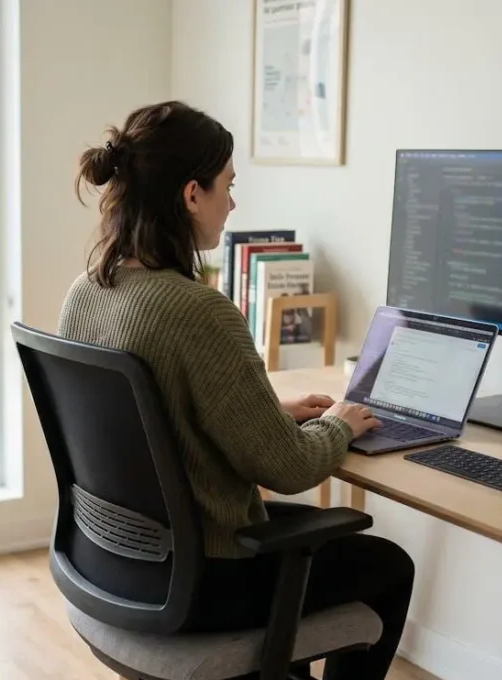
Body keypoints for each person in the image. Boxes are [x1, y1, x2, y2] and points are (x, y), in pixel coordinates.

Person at [57, 101, 415, 680]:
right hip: (202, 579)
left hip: (114, 561)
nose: (233, 202)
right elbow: (289, 468)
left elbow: (153, 414)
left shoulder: (88, 290)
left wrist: (267, 409)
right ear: (191, 194)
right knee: (388, 566)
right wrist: (339, 424)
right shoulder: (198, 310)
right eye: (228, 185)